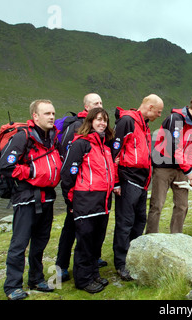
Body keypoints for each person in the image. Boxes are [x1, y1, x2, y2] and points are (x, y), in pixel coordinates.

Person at [0, 100, 62, 300]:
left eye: (52, 113)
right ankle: (12, 287)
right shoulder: (22, 137)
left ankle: (36, 278)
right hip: (26, 198)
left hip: (47, 197)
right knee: (19, 243)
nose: (51, 117)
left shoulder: (52, 138)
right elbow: (6, 167)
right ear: (35, 116)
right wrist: (32, 171)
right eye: (46, 113)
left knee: (40, 242)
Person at [60, 108, 115, 294]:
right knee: (85, 242)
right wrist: (71, 203)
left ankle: (93, 274)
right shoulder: (81, 144)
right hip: (86, 201)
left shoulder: (105, 147)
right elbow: (67, 175)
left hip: (103, 202)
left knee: (96, 242)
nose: (103, 123)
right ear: (90, 121)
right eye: (99, 120)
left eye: (105, 120)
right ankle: (82, 280)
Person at [111, 94, 164, 281]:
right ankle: (121, 262)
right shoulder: (127, 121)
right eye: (158, 112)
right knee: (125, 222)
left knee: (139, 219)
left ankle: (132, 254)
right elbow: (115, 151)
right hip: (128, 178)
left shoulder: (144, 124)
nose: (159, 115)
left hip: (141, 180)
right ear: (149, 107)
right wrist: (116, 182)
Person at [56, 93, 105, 282]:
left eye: (100, 103)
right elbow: (68, 161)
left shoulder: (98, 129)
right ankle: (61, 267)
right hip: (77, 189)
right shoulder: (76, 127)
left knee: (89, 228)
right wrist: (70, 194)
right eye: (95, 103)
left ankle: (92, 260)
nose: (99, 105)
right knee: (71, 227)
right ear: (85, 107)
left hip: (91, 191)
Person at [147, 94, 192, 234]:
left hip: (181, 169)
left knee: (182, 205)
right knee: (157, 204)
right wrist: (189, 171)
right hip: (163, 167)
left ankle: (176, 236)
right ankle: (151, 237)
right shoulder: (175, 119)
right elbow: (173, 147)